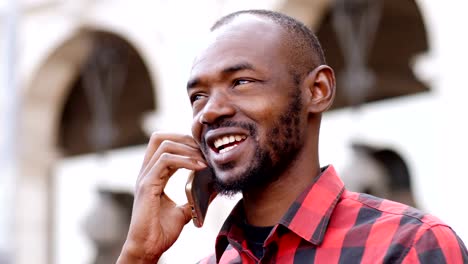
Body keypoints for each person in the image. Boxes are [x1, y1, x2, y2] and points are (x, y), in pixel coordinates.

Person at [117, 9, 468, 263]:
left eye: (241, 82)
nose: (209, 111)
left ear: (317, 90)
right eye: (198, 96)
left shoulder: (409, 245)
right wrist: (137, 255)